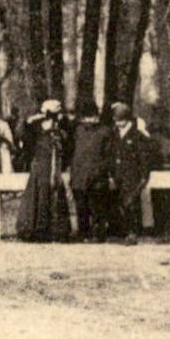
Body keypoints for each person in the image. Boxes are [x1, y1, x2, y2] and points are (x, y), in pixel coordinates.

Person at [16, 99, 73, 241]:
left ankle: (57, 230)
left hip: (55, 166)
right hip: (41, 166)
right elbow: (26, 141)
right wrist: (36, 126)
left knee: (55, 194)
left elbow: (67, 144)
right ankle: (38, 230)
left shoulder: (62, 126)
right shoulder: (36, 125)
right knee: (40, 196)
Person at [67, 99, 115, 242]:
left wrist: (103, 170)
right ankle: (83, 232)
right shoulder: (78, 130)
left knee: (97, 207)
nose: (88, 120)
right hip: (79, 175)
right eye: (86, 118)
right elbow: (72, 152)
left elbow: (109, 154)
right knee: (81, 206)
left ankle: (98, 234)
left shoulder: (105, 131)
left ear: (97, 116)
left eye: (91, 117)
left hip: (97, 176)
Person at [107, 101, 155, 243]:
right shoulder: (115, 133)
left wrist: (144, 176)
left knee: (131, 203)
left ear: (127, 120)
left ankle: (133, 233)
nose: (117, 123)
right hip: (118, 174)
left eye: (120, 121)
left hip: (132, 174)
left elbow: (143, 157)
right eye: (116, 120)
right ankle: (123, 232)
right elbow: (112, 153)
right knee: (121, 203)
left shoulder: (137, 135)